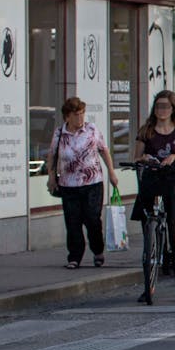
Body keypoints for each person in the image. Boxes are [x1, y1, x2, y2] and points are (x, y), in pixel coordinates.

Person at [130, 90, 175, 304]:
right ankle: (147, 287)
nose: (161, 110)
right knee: (148, 235)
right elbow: (136, 156)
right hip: (151, 179)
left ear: (172, 109)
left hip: (172, 181)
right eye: (158, 106)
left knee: (174, 236)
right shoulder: (147, 130)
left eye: (165, 107)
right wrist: (145, 157)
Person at [45, 97, 116, 269]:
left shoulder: (91, 130)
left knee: (92, 219)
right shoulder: (60, 133)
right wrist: (51, 176)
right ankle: (74, 257)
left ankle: (97, 250)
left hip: (92, 183)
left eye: (82, 114)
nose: (80, 118)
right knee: (73, 221)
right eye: (76, 115)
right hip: (68, 184)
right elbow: (52, 155)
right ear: (67, 117)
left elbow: (104, 151)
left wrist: (112, 172)